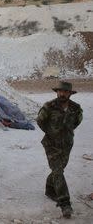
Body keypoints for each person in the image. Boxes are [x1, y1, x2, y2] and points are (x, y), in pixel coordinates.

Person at [36, 81, 83, 219]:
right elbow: (40, 121)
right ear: (57, 92)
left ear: (70, 93)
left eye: (65, 92)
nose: (62, 94)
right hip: (51, 144)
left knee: (59, 170)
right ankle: (65, 204)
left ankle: (50, 189)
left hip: (67, 144)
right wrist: (52, 133)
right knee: (57, 170)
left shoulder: (76, 108)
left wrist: (66, 133)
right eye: (60, 91)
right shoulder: (49, 106)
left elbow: (77, 122)